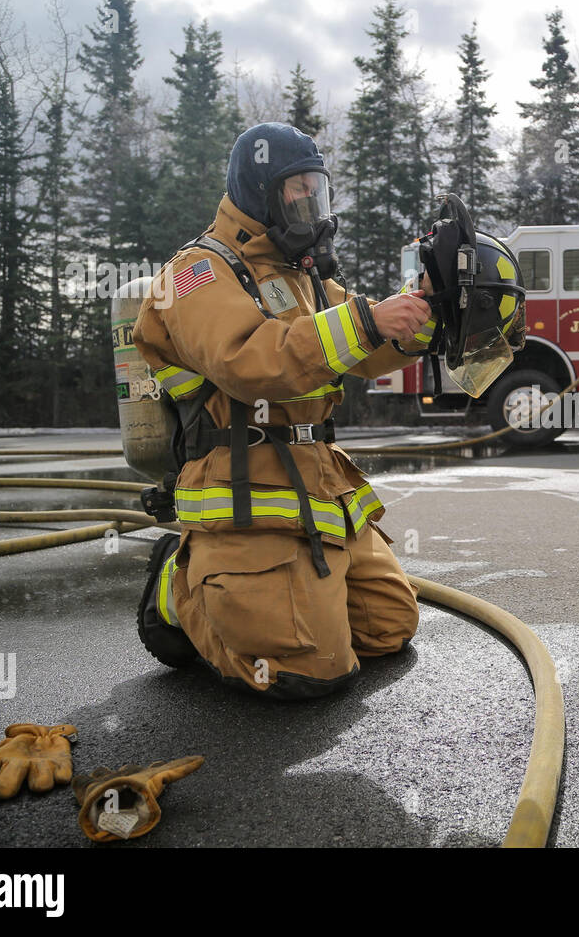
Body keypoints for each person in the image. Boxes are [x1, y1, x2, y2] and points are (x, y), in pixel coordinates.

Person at [132, 122, 437, 699]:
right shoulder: (196, 272)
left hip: (318, 484)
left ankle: (275, 599)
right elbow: (249, 363)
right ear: (257, 190)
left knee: (388, 629)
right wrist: (369, 320)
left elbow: (365, 348)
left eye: (313, 187)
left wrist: (421, 314)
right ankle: (180, 586)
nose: (307, 201)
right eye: (293, 187)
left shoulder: (306, 278)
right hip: (241, 479)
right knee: (309, 671)